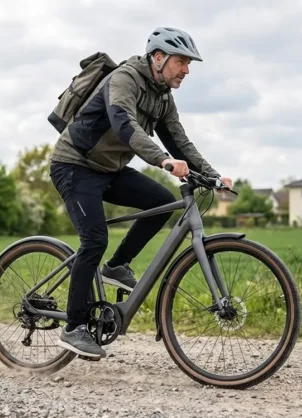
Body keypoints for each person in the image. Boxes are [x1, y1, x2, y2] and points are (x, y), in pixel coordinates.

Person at [48, 26, 233, 358]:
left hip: (109, 169)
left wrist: (213, 176)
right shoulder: (124, 79)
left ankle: (117, 266)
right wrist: (162, 160)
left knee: (162, 202)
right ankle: (74, 328)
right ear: (159, 58)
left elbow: (180, 141)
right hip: (74, 165)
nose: (187, 70)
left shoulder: (162, 97)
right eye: (182, 62)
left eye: (189, 63)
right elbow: (123, 123)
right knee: (94, 239)